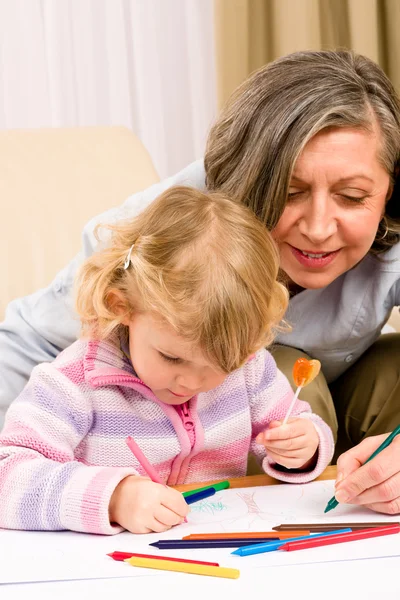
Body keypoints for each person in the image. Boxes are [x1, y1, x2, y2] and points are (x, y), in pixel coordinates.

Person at [0, 49, 399, 514]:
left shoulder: (247, 372)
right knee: (291, 373)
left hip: (293, 445)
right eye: (290, 193)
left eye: (352, 197)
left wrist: (306, 446)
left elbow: (286, 416)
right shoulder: (160, 237)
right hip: (171, 467)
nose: (317, 227)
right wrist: (96, 493)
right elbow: (28, 364)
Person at [0, 187, 334, 535]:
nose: (190, 382)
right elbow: (8, 474)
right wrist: (114, 498)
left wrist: (305, 448)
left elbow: (299, 424)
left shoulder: (248, 368)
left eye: (221, 364)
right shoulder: (75, 382)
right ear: (122, 306)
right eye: (172, 357)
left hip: (218, 552)